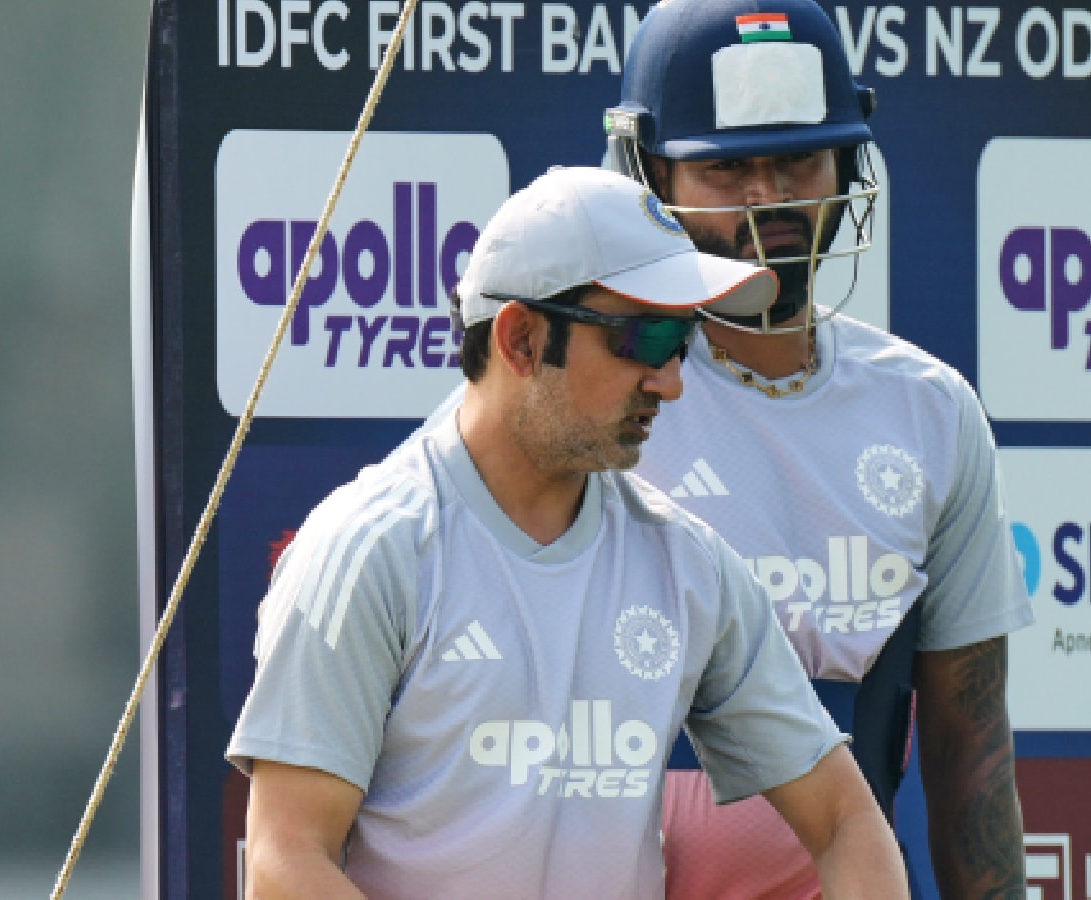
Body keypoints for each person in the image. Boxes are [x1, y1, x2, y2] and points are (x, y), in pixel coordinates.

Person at [225, 166, 911, 899]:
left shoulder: (689, 564)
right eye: (644, 337)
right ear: (521, 339)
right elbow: (284, 863)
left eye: (683, 340)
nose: (671, 380)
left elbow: (845, 823)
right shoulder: (369, 550)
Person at [603, 1, 1035, 895]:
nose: (771, 198)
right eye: (728, 169)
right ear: (649, 173)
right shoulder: (593, 394)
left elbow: (971, 758)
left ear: (847, 160)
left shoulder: (929, 409)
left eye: (798, 159)